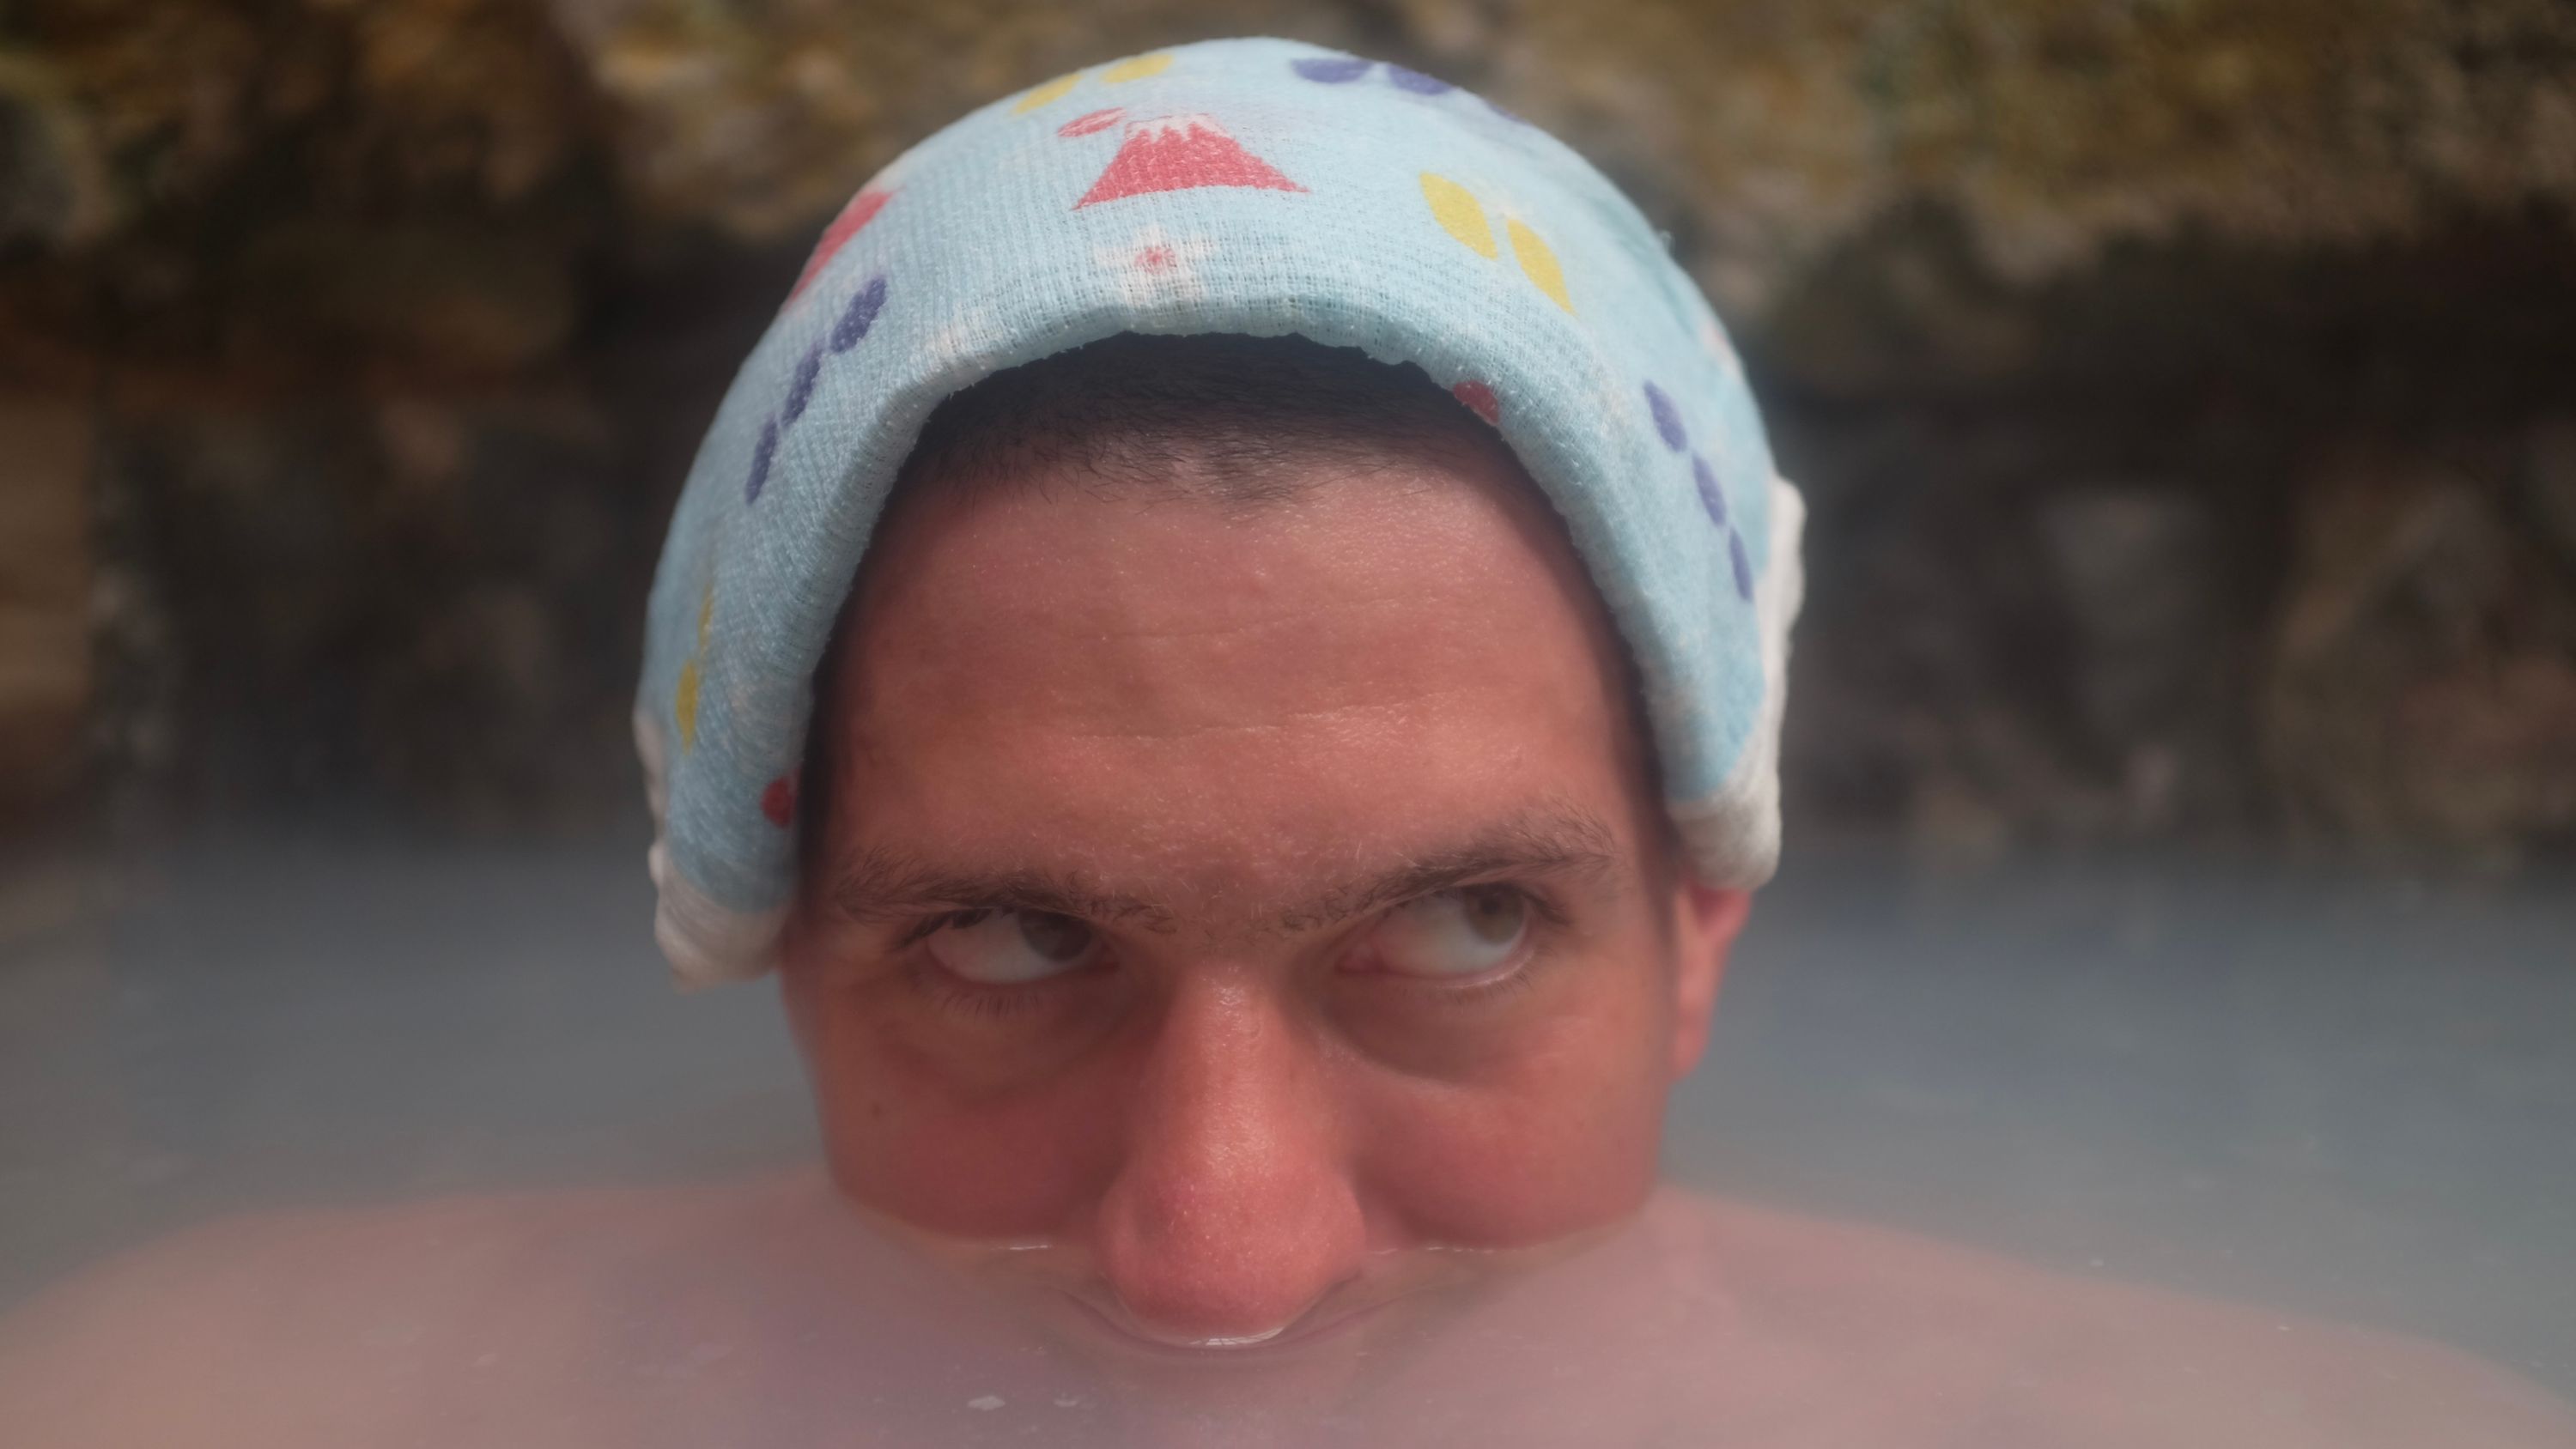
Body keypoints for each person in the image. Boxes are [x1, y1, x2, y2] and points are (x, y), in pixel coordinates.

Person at [3, 36, 2571, 1449]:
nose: (1218, 1257)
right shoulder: (187, 1403)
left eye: (1463, 925)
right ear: (769, 918)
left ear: (1701, 923)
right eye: (1011, 938)